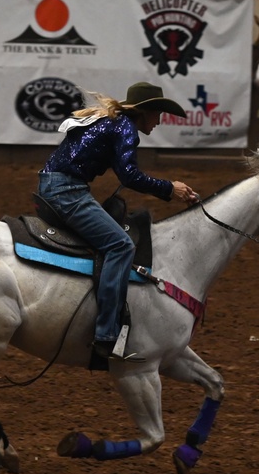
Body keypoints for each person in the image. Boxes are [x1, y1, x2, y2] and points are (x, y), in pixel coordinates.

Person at [37, 82, 197, 361]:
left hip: (55, 185)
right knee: (121, 246)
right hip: (67, 192)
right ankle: (107, 334)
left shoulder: (109, 121)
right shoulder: (124, 128)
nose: (159, 121)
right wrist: (169, 188)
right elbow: (130, 177)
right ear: (145, 112)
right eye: (158, 114)